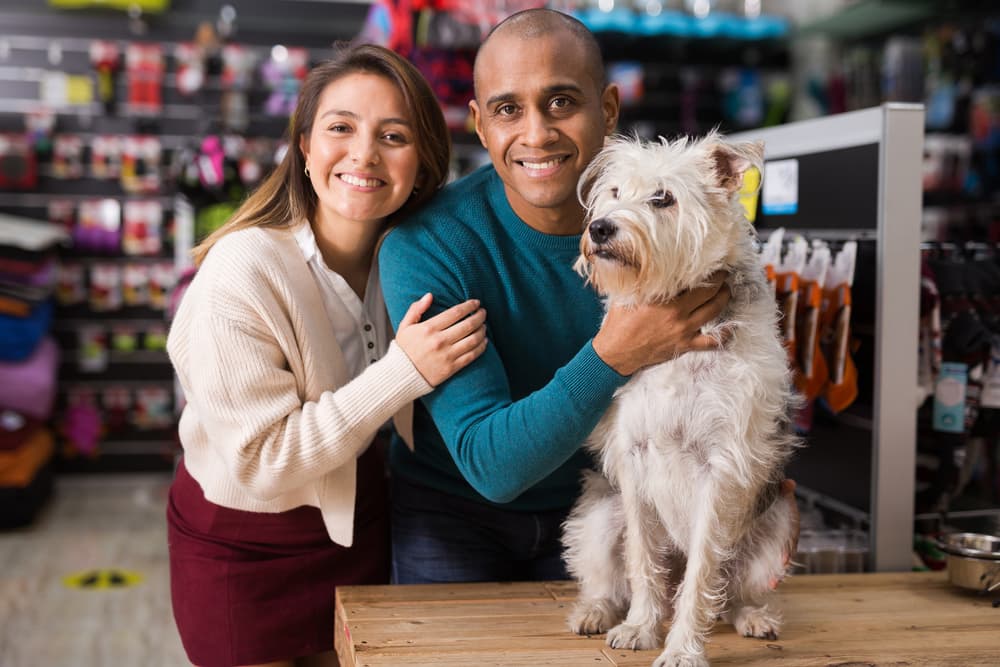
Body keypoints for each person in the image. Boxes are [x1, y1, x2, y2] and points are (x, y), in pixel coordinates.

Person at [377, 9, 776, 586]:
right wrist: (615, 353)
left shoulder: (682, 236)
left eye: (561, 102)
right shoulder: (429, 244)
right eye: (508, 109)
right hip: (453, 515)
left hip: (611, 503)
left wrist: (751, 486)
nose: (536, 134)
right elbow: (492, 466)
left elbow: (736, 390)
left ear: (608, 109)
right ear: (480, 125)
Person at [165, 44, 487, 667]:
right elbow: (265, 460)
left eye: (393, 135)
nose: (364, 153)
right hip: (243, 549)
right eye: (341, 128)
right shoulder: (242, 271)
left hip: (356, 527)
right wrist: (404, 373)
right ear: (306, 147)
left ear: (422, 165)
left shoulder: (414, 264)